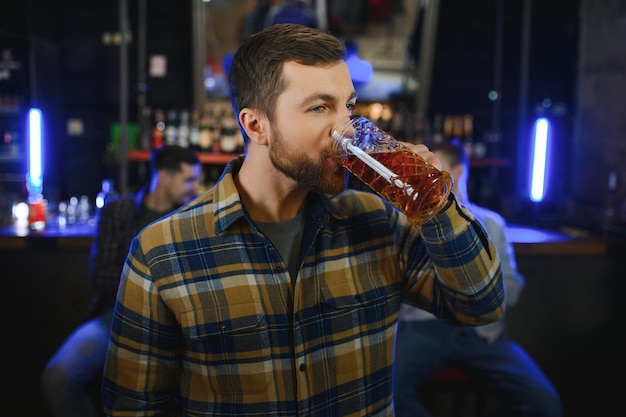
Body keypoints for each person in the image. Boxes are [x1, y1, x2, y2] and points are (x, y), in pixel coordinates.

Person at [101, 23, 505, 417]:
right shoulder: (162, 251)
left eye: (347, 106)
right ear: (255, 125)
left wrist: (436, 207)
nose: (343, 130)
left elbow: (481, 305)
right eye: (319, 108)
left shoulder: (378, 221)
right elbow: (133, 407)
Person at [393, 139, 562, 417]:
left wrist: (473, 297)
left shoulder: (491, 222)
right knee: (387, 394)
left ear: (458, 171)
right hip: (425, 328)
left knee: (545, 404)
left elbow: (511, 287)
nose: (427, 176)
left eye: (437, 168)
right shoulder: (408, 219)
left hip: (482, 333)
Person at [40, 145, 201, 417]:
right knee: (57, 378)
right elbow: (100, 274)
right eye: (189, 180)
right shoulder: (118, 210)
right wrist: (156, 286)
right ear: (163, 177)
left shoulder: (190, 215)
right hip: (114, 316)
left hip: (174, 323)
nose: (195, 188)